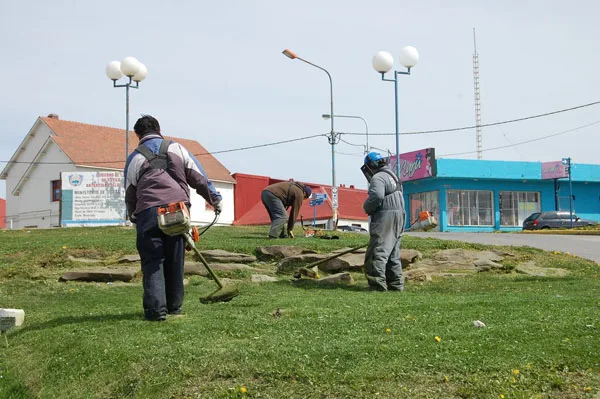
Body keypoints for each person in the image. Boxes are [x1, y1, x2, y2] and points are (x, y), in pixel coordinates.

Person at [125, 115, 222, 321]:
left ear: (138, 135)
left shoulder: (134, 158)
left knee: (152, 261)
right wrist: (215, 199)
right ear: (159, 129)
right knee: (175, 260)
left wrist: (134, 216)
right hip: (176, 211)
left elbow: (130, 193)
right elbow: (198, 177)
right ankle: (174, 308)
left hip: (148, 213)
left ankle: (155, 312)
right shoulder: (176, 148)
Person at [362, 152, 406, 291]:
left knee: (377, 251)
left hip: (386, 215)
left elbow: (377, 195)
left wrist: (367, 207)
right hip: (400, 215)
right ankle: (395, 285)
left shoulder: (378, 177)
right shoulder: (393, 176)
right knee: (393, 253)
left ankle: (377, 285)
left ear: (370, 166)